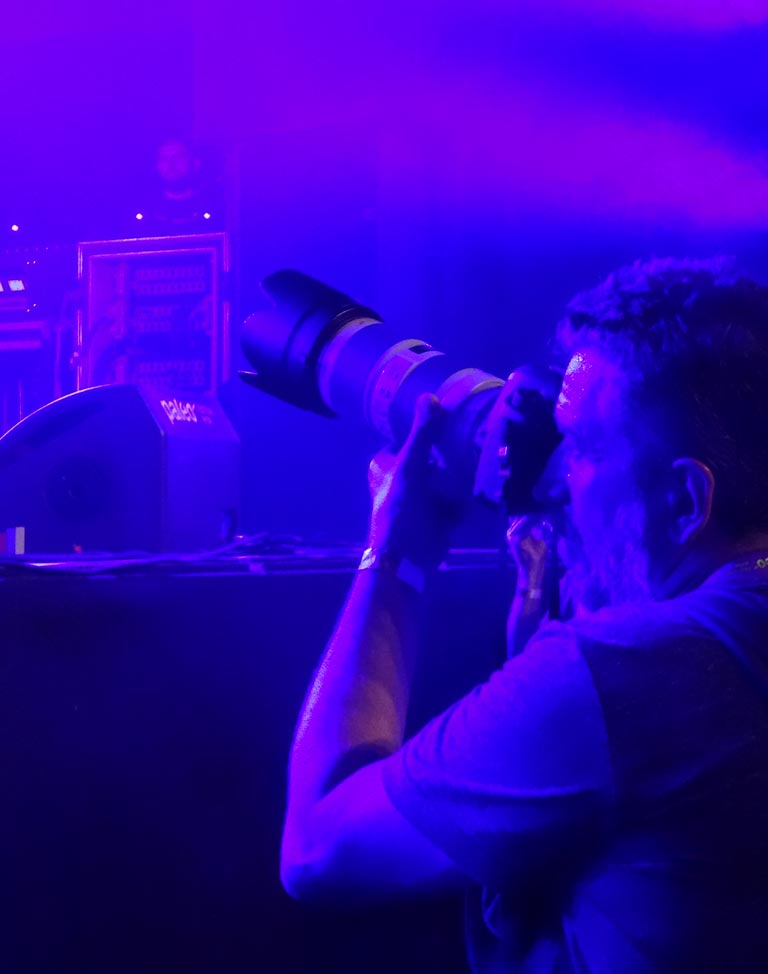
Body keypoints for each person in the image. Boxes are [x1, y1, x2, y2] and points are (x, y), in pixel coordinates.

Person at [280, 257, 768, 973]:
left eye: (585, 449)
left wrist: (396, 553)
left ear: (686, 500)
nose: (556, 480)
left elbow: (317, 850)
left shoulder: (619, 675)